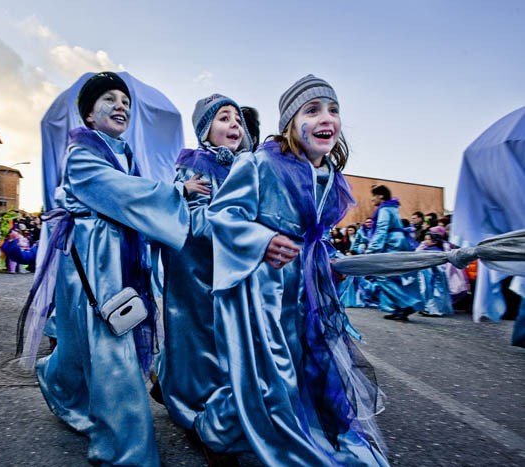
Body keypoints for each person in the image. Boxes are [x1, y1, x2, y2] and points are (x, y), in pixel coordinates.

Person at [199, 75, 388, 466]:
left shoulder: (330, 180)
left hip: (308, 293)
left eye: (333, 110)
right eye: (313, 109)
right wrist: (261, 240)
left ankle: (222, 427)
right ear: (290, 122)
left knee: (304, 367)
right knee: (273, 376)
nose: (327, 118)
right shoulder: (259, 164)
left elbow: (315, 237)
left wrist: (326, 264)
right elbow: (222, 215)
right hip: (263, 294)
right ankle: (231, 431)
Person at [33, 72, 209, 466]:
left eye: (125, 102)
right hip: (93, 265)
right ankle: (124, 451)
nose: (121, 106)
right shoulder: (82, 153)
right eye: (109, 99)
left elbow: (129, 202)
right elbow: (121, 194)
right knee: (113, 349)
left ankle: (58, 382)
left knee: (84, 343)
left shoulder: (120, 154)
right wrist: (176, 191)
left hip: (111, 261)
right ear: (89, 116)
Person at [157, 94, 251, 461]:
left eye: (238, 121)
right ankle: (200, 417)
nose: (234, 126)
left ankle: (221, 411)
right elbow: (191, 221)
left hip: (230, 268)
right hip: (196, 272)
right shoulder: (195, 165)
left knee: (231, 342)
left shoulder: (244, 165)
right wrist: (236, 225)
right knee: (201, 344)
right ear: (205, 128)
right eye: (224, 118)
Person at [364, 185, 423, 320]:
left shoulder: (384, 209)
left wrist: (372, 250)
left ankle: (406, 303)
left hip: (392, 244)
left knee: (382, 276)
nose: (372, 199)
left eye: (374, 195)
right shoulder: (392, 208)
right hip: (397, 242)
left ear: (381, 196)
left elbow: (382, 229)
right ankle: (399, 308)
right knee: (392, 277)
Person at [416, 227, 455, 316]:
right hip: (432, 275)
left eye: (428, 240)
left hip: (434, 276)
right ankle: (430, 308)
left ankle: (434, 310)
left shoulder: (433, 252)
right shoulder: (431, 250)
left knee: (432, 292)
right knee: (430, 292)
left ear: (435, 241)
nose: (426, 241)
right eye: (425, 239)